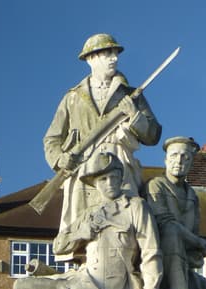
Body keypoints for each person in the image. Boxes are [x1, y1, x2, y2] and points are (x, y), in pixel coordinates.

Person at [43, 34, 162, 255]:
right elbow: (52, 138)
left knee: (127, 217)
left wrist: (134, 115)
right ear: (91, 59)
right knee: (82, 223)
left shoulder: (130, 95)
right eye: (107, 53)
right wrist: (60, 158)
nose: (113, 58)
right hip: (84, 166)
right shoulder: (73, 97)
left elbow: (153, 135)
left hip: (120, 160)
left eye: (115, 54)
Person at [14, 152, 162, 289]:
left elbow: (151, 250)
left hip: (109, 286)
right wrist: (79, 234)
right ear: (95, 184)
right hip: (83, 280)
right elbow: (58, 246)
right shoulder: (90, 213)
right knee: (21, 286)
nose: (110, 183)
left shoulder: (135, 206)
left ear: (121, 178)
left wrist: (151, 288)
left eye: (114, 177)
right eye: (103, 179)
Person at [147, 136, 206, 289]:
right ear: (166, 160)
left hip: (184, 266)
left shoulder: (192, 195)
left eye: (185, 157)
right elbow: (164, 222)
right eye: (174, 155)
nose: (179, 161)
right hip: (160, 264)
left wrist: (197, 247)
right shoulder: (155, 186)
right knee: (171, 230)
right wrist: (198, 242)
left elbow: (193, 230)